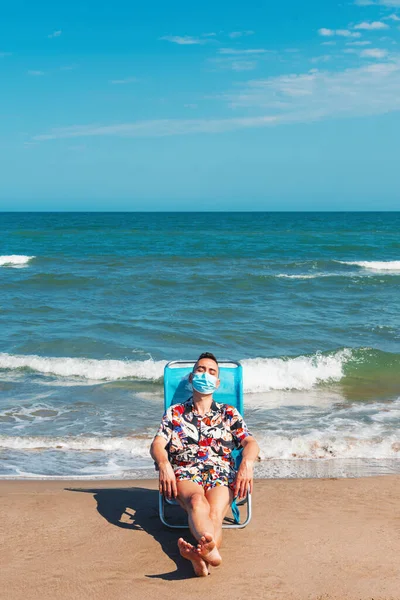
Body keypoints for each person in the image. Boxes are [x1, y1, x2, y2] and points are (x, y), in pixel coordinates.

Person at [150, 352, 259, 577]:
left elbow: (250, 442)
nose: (205, 374)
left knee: (216, 512)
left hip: (221, 472)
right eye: (200, 370)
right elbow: (158, 444)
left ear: (217, 383)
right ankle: (210, 554)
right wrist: (163, 463)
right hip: (186, 472)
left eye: (211, 372)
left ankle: (202, 559)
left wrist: (247, 463)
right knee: (197, 502)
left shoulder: (229, 413)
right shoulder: (175, 413)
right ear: (191, 378)